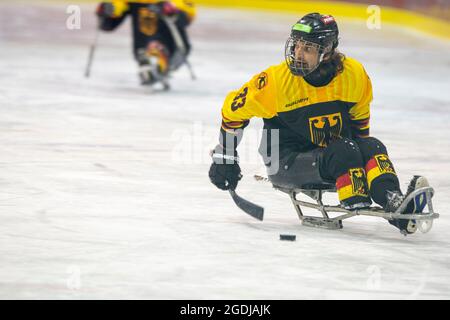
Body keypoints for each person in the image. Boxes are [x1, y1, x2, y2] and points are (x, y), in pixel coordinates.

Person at [208, 13, 432, 235]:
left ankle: (394, 201)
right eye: (296, 46)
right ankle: (355, 192)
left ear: (326, 51)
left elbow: (360, 126)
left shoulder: (353, 75)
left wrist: (363, 161)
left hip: (335, 156)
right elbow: (233, 111)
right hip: (285, 161)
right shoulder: (275, 81)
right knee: (345, 150)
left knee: (372, 145)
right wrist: (225, 157)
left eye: (307, 49)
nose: (297, 54)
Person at [96, 0, 196, 87]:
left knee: (159, 9)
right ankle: (150, 56)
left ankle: (158, 56)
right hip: (143, 47)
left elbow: (186, 16)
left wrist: (173, 11)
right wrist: (105, 12)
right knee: (147, 11)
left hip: (175, 48)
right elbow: (109, 24)